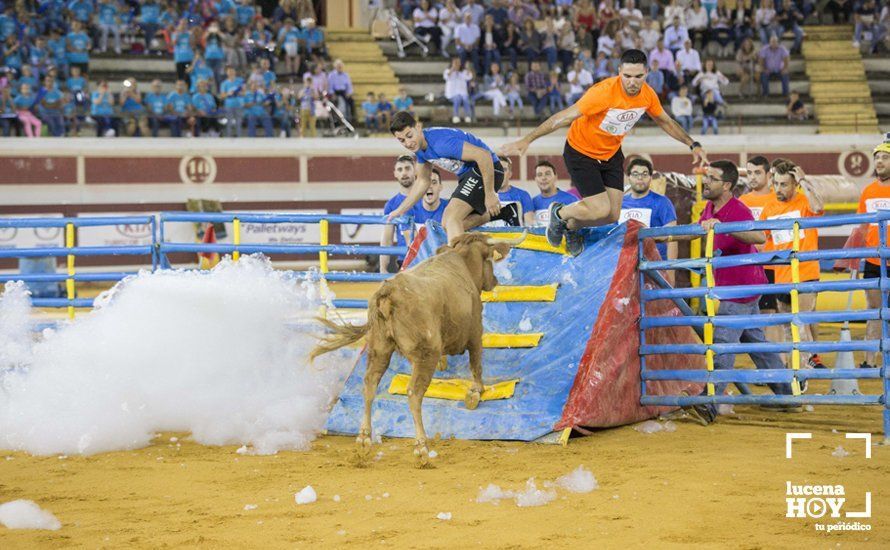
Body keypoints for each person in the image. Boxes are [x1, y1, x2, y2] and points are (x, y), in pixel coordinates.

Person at [499, 49, 708, 256]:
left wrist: (693, 144)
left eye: (638, 77)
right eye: (627, 76)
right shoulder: (603, 92)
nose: (632, 82)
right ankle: (559, 212)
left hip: (611, 154)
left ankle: (571, 228)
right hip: (581, 152)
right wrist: (528, 139)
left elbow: (665, 121)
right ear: (619, 72)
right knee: (598, 208)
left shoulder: (647, 96)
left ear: (646, 74)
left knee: (611, 214)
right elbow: (563, 117)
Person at [666, 160, 796, 425]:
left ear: (726, 185)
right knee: (756, 343)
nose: (706, 182)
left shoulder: (738, 209)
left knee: (723, 344)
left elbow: (759, 239)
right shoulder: (711, 207)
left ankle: (709, 402)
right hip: (736, 287)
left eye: (712, 178)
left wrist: (724, 228)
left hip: (740, 288)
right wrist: (663, 236)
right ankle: (787, 394)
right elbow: (695, 233)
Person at [387, 111, 513, 243]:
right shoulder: (419, 149)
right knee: (448, 225)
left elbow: (484, 156)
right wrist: (400, 210)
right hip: (469, 175)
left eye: (409, 136)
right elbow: (423, 181)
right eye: (402, 140)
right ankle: (501, 213)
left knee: (452, 218)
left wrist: (490, 194)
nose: (408, 143)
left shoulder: (440, 143)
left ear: (418, 127)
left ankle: (458, 262)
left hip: (487, 168)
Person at [759, 159, 825, 370]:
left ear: (794, 184)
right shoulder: (769, 208)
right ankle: (795, 370)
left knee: (801, 322)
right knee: (788, 328)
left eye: (783, 184)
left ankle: (803, 370)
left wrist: (804, 180)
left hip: (806, 273)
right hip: (782, 276)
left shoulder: (804, 201)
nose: (778, 189)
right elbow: (760, 239)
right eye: (776, 183)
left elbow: (819, 207)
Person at [741, 155, 784, 358]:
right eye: (749, 172)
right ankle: (772, 363)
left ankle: (780, 362)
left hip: (775, 265)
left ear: (768, 174)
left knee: (775, 316)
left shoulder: (779, 198)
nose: (752, 177)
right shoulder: (742, 202)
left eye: (757, 172)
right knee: (760, 316)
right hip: (751, 267)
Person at [857, 140, 890, 369]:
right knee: (875, 311)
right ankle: (870, 361)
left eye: (885, 157)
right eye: (877, 157)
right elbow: (862, 227)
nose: (879, 161)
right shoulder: (868, 191)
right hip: (873, 260)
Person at [619, 158, 677, 279]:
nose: (640, 178)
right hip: (625, 269)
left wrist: (670, 274)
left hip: (655, 268)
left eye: (644, 174)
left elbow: (673, 238)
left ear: (651, 177)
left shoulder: (662, 202)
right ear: (628, 177)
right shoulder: (619, 204)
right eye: (635, 174)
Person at [380, 154, 417, 274]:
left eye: (407, 168)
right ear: (395, 173)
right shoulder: (391, 205)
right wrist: (383, 267)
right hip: (404, 260)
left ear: (415, 170)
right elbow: (387, 239)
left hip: (428, 257)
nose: (404, 173)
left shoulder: (428, 197)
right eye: (400, 170)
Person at [531, 160, 578, 227]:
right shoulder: (532, 203)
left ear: (555, 177)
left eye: (547, 174)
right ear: (536, 179)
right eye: (539, 175)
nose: (543, 178)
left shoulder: (571, 200)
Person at [489, 156, 533, 227]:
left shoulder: (523, 195)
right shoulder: (483, 195)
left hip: (514, 237)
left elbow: (530, 224)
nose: (501, 173)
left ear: (510, 174)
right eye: (497, 169)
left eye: (504, 169)